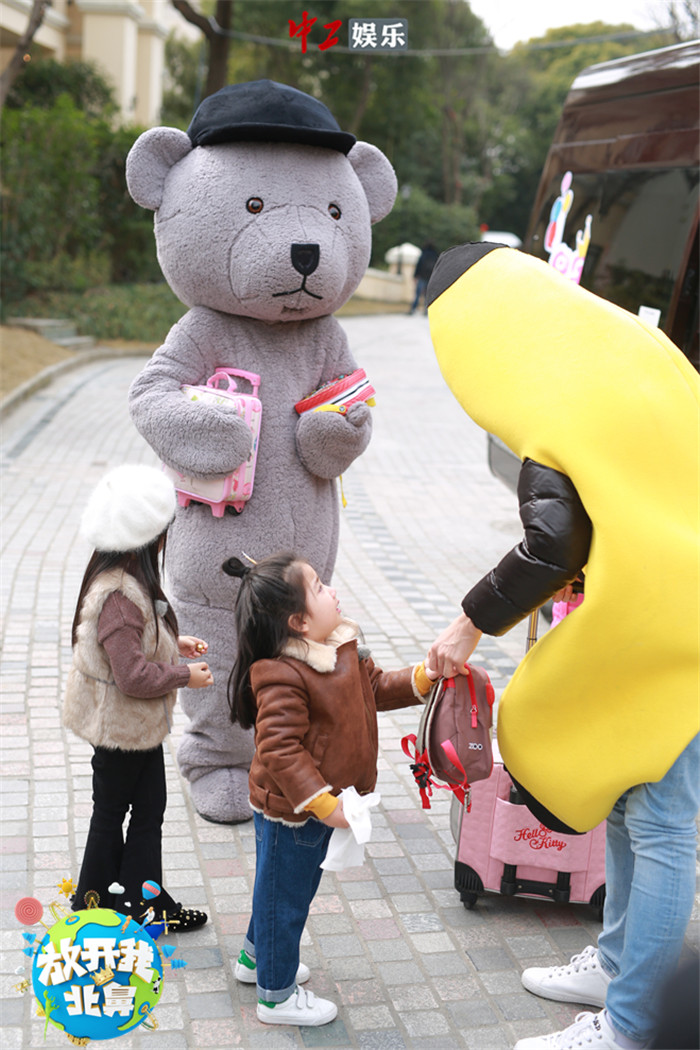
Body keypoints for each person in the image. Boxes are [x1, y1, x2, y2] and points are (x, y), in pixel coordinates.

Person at [424, 241, 699, 1050]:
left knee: (662, 825)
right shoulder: (627, 347)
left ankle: (632, 1025)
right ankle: (618, 967)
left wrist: (468, 621)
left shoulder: (555, 400)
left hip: (672, 631)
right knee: (627, 797)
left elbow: (554, 544)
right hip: (670, 610)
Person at [224, 551, 436, 1027]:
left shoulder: (342, 646)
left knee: (276, 887)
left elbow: (375, 688)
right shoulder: (282, 672)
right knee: (286, 897)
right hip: (296, 809)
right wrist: (322, 804)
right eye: (319, 587)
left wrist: (424, 677)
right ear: (298, 621)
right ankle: (275, 996)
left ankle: (257, 960)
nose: (331, 590)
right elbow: (280, 749)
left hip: (320, 804)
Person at [63, 464, 213, 932]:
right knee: (119, 814)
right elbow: (132, 676)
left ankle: (125, 902)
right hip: (120, 729)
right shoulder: (119, 597)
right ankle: (110, 908)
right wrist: (183, 675)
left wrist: (174, 644)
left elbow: (132, 649)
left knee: (144, 810)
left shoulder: (125, 581)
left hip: (133, 727)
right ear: (147, 539)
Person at [409, 240, 439, 314]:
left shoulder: (423, 254)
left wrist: (415, 276)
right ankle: (426, 310)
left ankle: (413, 309)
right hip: (430, 277)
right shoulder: (435, 255)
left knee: (417, 294)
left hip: (422, 276)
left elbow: (419, 265)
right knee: (427, 295)